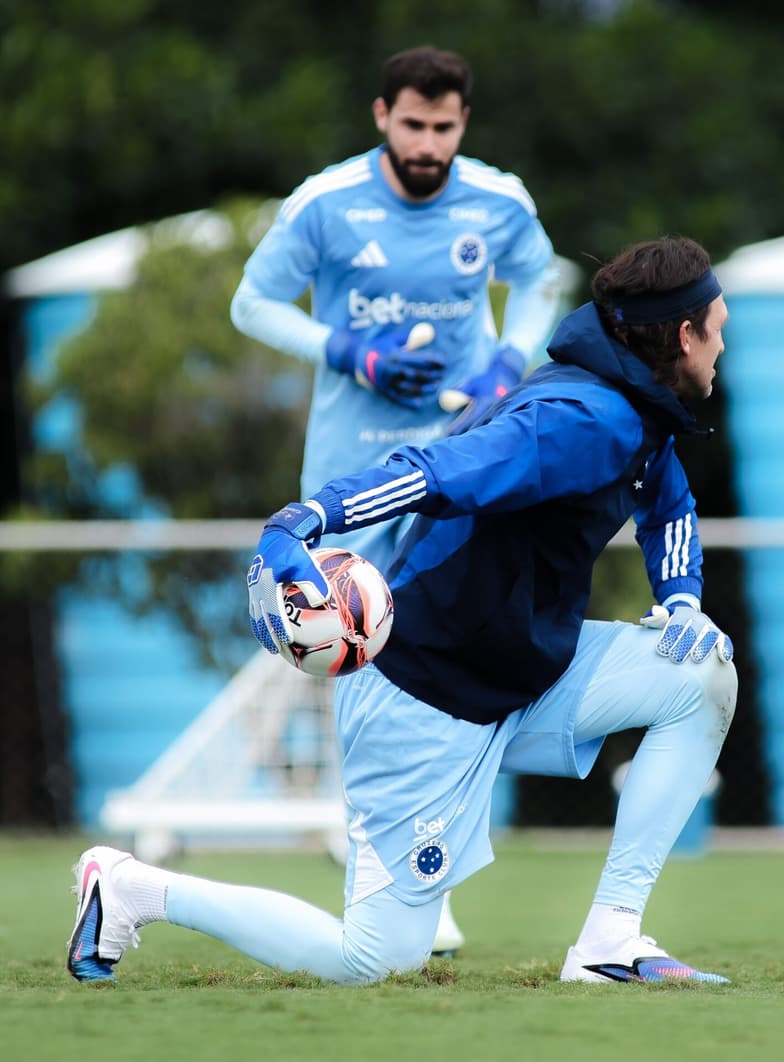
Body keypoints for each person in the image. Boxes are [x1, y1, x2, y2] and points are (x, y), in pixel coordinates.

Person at [67, 236, 738, 987]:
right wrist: (308, 517)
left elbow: (667, 503)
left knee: (700, 670)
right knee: (375, 962)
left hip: (522, 675)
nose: (722, 344)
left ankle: (609, 942)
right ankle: (131, 888)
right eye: (718, 327)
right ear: (685, 335)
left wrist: (682, 602)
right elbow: (432, 472)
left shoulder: (633, 413)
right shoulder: (579, 419)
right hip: (424, 694)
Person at [229, 45, 565, 951]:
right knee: (360, 655)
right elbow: (251, 304)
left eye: (443, 127)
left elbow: (542, 280)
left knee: (452, 642)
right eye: (412, 124)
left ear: (463, 124)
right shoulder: (326, 203)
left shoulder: (499, 202)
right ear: (382, 116)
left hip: (463, 457)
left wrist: (506, 363)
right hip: (354, 473)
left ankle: (429, 868)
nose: (427, 143)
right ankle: (386, 866)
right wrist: (348, 352)